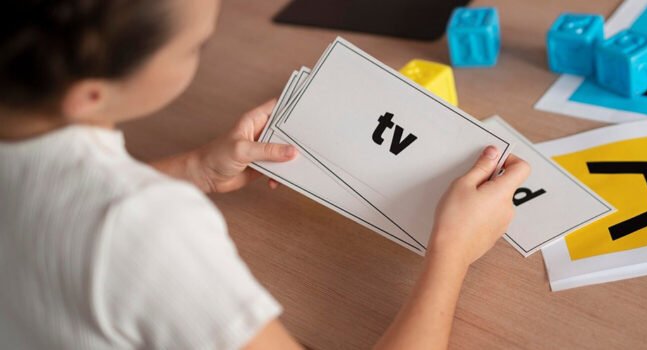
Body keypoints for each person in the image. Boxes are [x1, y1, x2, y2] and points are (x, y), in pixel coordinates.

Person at [0, 0, 530, 349]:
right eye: (194, 48)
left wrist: (192, 170)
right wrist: (452, 252)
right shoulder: (143, 227)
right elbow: (110, 225)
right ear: (90, 95)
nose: (202, 54)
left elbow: (51, 198)